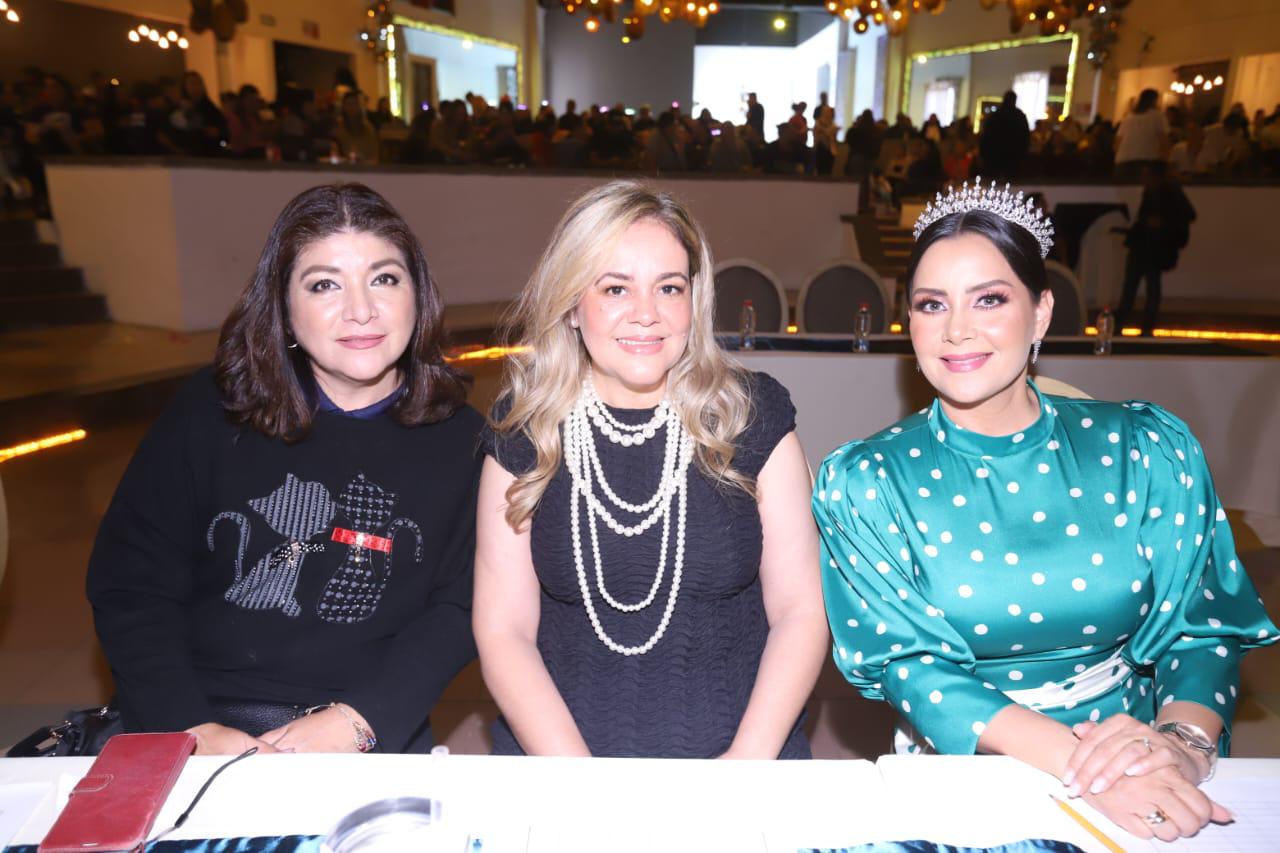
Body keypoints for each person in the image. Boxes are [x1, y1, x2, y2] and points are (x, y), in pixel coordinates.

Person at [813, 179, 1277, 840]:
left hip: (1142, 755)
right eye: (931, 304)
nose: (956, 330)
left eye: (991, 299)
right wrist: (1094, 770)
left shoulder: (1146, 448)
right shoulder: (865, 480)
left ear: (1040, 312)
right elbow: (914, 669)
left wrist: (1178, 744)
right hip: (967, 777)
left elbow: (1199, 626)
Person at [87, 183, 483, 755]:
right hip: (199, 714)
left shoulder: (465, 441)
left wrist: (358, 721)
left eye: (384, 278)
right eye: (324, 284)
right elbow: (131, 583)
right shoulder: (211, 411)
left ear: (417, 294)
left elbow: (461, 608)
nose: (361, 310)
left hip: (368, 727)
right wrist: (190, 729)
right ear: (285, 309)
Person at [474, 180, 827, 759]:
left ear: (694, 299)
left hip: (745, 760)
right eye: (615, 288)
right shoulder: (523, 429)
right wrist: (581, 782)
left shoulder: (752, 416)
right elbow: (503, 630)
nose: (646, 314)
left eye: (669, 287)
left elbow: (800, 612)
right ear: (570, 305)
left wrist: (742, 769)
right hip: (559, 764)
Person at [1116, 168, 1197, 336]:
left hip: (1153, 246)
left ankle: (1134, 326)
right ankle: (1136, 326)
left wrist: (1162, 224)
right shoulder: (1155, 192)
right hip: (1147, 245)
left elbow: (1187, 215)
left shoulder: (1166, 192)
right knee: (1140, 287)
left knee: (1140, 287)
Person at [1114, 89, 1169, 179]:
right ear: (1154, 100)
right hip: (1146, 162)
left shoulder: (1129, 117)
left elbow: (1117, 143)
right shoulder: (1157, 116)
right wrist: (1164, 164)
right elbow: (1164, 142)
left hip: (1122, 162)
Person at [979, 91, 1030, 179]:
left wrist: (984, 155)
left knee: (993, 185)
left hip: (994, 157)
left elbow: (985, 138)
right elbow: (1025, 138)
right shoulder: (1019, 117)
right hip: (1013, 157)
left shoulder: (994, 116)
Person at [335, 91, 379, 163]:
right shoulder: (338, 130)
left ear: (359, 106)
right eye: (348, 104)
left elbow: (374, 157)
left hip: (366, 170)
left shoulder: (369, 129)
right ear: (343, 107)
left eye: (354, 104)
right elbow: (335, 157)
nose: (351, 108)